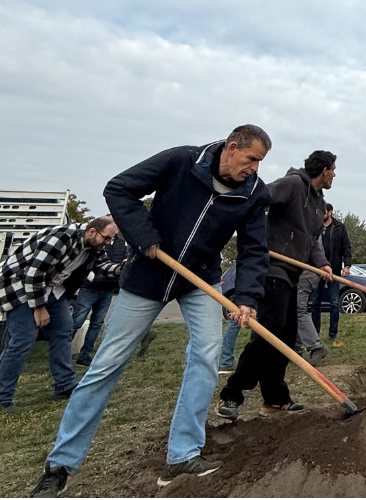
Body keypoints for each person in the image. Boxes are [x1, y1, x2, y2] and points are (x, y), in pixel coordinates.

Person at [31, 125, 272, 497]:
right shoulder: (181, 161)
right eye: (252, 159)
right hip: (147, 275)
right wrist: (143, 236)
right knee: (106, 364)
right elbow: (119, 188)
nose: (255, 168)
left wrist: (248, 297)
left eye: (260, 162)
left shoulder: (254, 194)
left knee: (207, 356)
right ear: (232, 147)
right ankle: (60, 464)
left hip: (199, 281)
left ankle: (182, 454)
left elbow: (254, 250)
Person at [216, 150, 336, 422]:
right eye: (333, 170)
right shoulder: (293, 184)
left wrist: (323, 263)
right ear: (324, 170)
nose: (334, 175)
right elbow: (260, 197)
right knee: (268, 335)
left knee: (285, 338)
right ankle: (232, 395)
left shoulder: (319, 204)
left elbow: (312, 242)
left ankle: (274, 399)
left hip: (292, 273)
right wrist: (256, 237)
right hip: (271, 269)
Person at [0, 216, 122, 412]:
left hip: (52, 289)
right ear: (92, 231)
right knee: (23, 340)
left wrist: (120, 269)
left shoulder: (92, 248)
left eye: (111, 240)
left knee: (63, 332)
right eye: (107, 238)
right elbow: (34, 274)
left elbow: (100, 266)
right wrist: (39, 307)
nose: (107, 243)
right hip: (20, 287)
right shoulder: (62, 236)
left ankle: (64, 385)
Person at [70, 229, 128, 367]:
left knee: (97, 324)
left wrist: (121, 267)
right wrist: (93, 278)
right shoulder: (97, 242)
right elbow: (89, 263)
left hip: (108, 288)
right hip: (89, 288)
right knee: (77, 322)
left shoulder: (121, 243)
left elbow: (124, 258)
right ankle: (63, 354)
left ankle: (85, 356)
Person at [311, 203, 352, 345]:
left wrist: (346, 266)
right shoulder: (316, 227)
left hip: (334, 270)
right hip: (318, 270)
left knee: (334, 302)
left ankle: (332, 334)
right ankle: (315, 333)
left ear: (330, 213)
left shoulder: (339, 227)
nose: (322, 214)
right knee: (315, 302)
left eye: (324, 212)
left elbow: (346, 247)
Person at [296, 267, 330, 366]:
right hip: (304, 274)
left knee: (299, 311)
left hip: (304, 275)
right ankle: (296, 349)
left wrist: (323, 264)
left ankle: (316, 347)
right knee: (293, 312)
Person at [217, 265, 243, 374]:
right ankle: (226, 361)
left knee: (235, 323)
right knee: (236, 322)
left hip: (240, 287)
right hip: (244, 288)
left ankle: (226, 360)